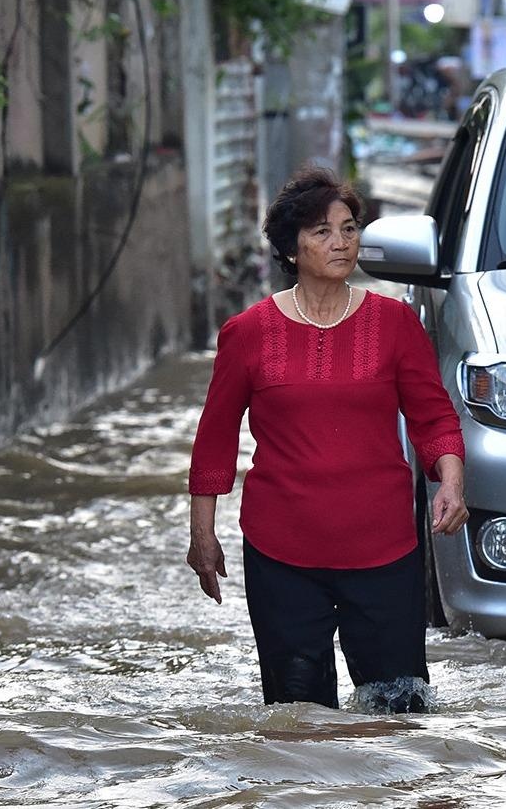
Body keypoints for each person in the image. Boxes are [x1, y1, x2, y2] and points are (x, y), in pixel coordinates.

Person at [185, 164, 467, 713]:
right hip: (282, 552)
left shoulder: (394, 324)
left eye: (349, 227)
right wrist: (202, 535)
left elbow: (434, 418)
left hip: (386, 548)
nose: (341, 242)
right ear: (291, 248)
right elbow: (214, 439)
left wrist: (451, 481)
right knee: (299, 720)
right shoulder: (247, 334)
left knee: (399, 711)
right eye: (322, 231)